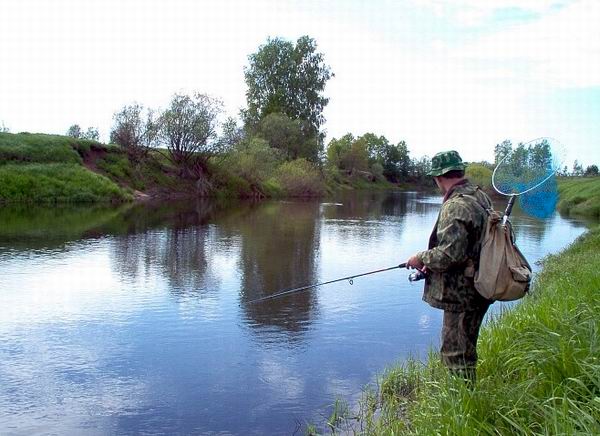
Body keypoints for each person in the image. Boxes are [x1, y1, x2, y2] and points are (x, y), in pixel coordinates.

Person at [406, 150, 493, 384]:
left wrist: (420, 258)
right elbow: (466, 248)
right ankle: (466, 403)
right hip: (481, 285)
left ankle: (463, 409)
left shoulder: (456, 205)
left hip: (462, 294)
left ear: (440, 177)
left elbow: (448, 255)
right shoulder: (479, 197)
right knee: (465, 349)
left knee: (455, 354)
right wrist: (429, 266)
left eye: (435, 178)